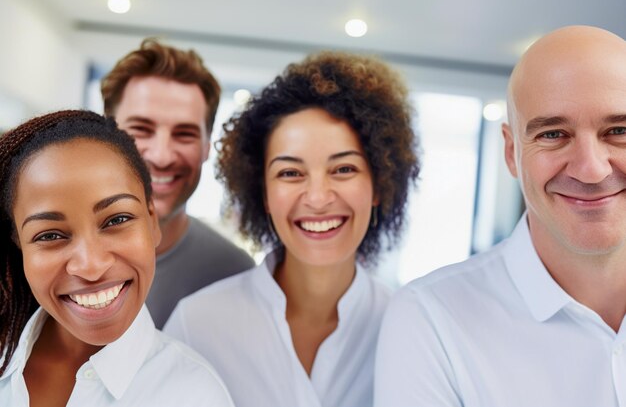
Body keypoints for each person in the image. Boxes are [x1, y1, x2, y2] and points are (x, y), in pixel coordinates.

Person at [374, 25, 626, 407]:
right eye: (553, 134)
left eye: (619, 130)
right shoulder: (431, 320)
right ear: (511, 152)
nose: (591, 169)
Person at [164, 51, 420, 407]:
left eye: (343, 169)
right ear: (263, 194)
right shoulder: (198, 324)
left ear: (379, 185)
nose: (317, 198)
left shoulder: (411, 328)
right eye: (290, 173)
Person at [0, 110, 234, 407]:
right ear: (19, 245)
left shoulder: (194, 395)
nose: (91, 265)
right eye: (49, 235)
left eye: (117, 219)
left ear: (152, 222)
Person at [101, 39, 254, 329]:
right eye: (141, 130)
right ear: (105, 134)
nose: (161, 156)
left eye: (184, 134)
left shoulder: (235, 274)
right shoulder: (45, 259)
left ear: (207, 147)